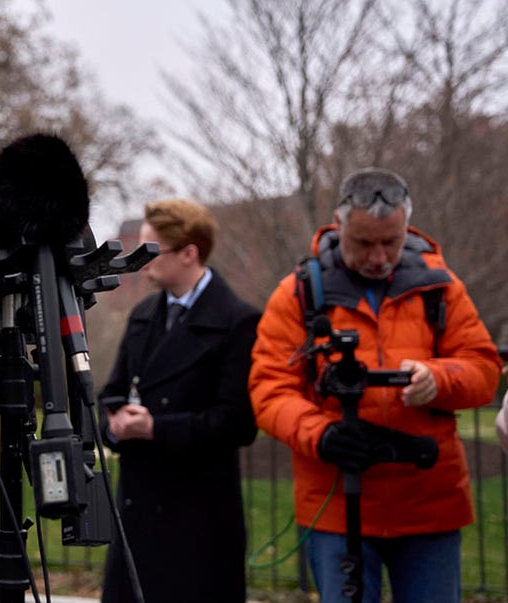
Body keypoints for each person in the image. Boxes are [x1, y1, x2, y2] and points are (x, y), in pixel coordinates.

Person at [249, 168, 501, 603]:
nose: (379, 256)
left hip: (429, 505)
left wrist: (437, 379)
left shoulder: (440, 289)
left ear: (406, 226)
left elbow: (484, 368)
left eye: (391, 241)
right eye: (364, 243)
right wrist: (322, 434)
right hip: (335, 502)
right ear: (339, 223)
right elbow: (269, 389)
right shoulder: (300, 294)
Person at [97, 198, 260, 603]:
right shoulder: (144, 314)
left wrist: (155, 428)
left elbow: (238, 421)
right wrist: (115, 426)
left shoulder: (237, 322)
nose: (143, 260)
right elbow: (112, 394)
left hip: (199, 519)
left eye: (153, 250)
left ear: (189, 253)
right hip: (138, 512)